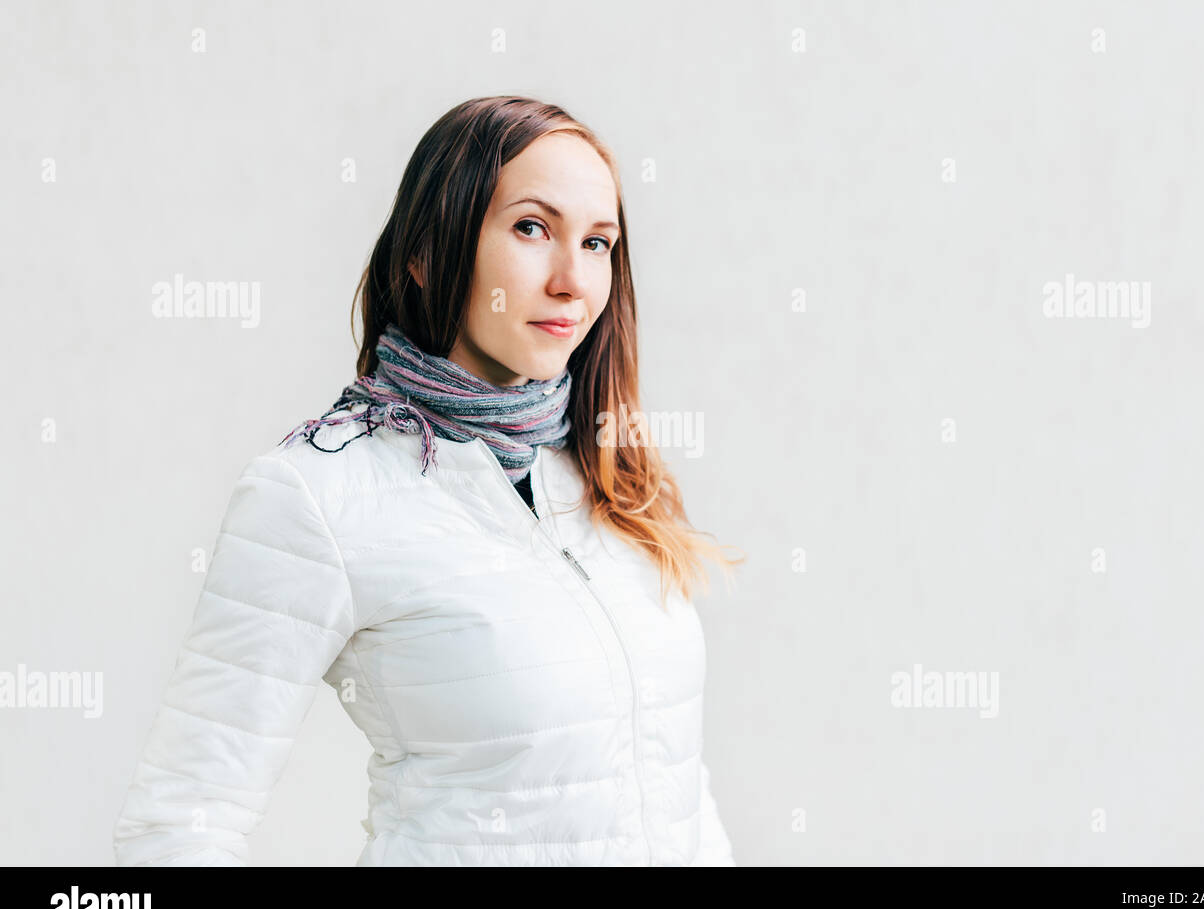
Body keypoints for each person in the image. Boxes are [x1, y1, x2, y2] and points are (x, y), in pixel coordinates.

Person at [111, 95, 744, 866]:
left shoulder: (606, 470)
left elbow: (675, 787)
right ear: (427, 252)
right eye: (531, 228)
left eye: (599, 242)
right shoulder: (318, 492)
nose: (572, 280)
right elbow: (180, 823)